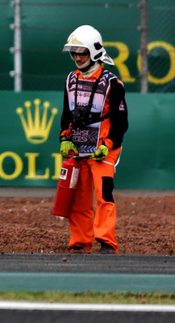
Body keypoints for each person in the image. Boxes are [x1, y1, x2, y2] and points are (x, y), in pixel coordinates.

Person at [60, 25, 127, 254]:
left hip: (104, 151)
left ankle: (107, 242)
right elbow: (66, 115)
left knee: (103, 194)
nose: (77, 58)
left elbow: (121, 124)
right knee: (77, 198)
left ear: (95, 52)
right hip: (78, 150)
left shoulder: (112, 83)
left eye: (82, 53)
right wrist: (64, 139)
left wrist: (107, 146)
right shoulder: (70, 79)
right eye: (74, 53)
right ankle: (80, 242)